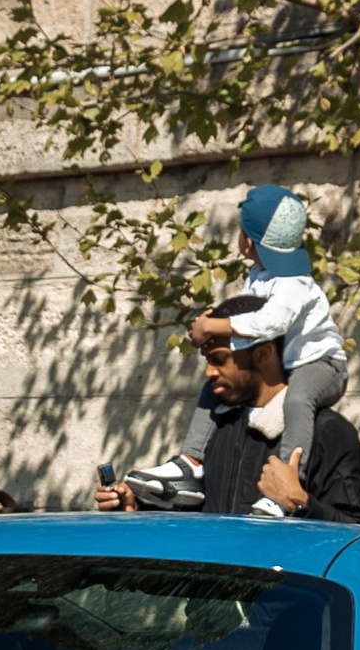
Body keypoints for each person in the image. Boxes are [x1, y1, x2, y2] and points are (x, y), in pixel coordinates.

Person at [128, 184, 348, 499]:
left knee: (298, 400)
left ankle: (290, 478)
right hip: (286, 361)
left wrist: (212, 325)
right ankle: (191, 462)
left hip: (321, 365)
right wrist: (212, 324)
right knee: (217, 383)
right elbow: (249, 315)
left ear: (247, 241)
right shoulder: (261, 273)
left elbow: (270, 322)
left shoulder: (292, 281)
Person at [99, 322, 360, 524]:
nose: (209, 372)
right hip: (216, 588)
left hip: (286, 588)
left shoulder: (328, 431)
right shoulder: (216, 425)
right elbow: (195, 514)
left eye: (219, 360)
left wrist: (301, 502)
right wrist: (138, 507)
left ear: (263, 354)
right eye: (207, 360)